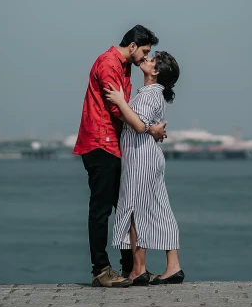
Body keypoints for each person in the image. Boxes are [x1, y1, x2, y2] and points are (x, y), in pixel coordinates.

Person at [73, 25, 167, 287]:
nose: (146, 57)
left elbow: (124, 109)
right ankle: (101, 270)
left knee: (124, 206)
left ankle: (131, 269)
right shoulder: (108, 64)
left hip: (113, 144)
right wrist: (149, 128)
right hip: (98, 144)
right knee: (102, 209)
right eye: (145, 51)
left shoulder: (124, 66)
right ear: (133, 46)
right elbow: (118, 110)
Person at [104, 51, 184, 286]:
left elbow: (139, 125)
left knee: (136, 210)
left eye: (151, 60)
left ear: (156, 71)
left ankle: (138, 269)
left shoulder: (150, 95)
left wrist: (119, 101)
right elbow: (145, 125)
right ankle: (173, 266)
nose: (146, 60)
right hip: (147, 156)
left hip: (140, 157)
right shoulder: (154, 94)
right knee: (159, 208)